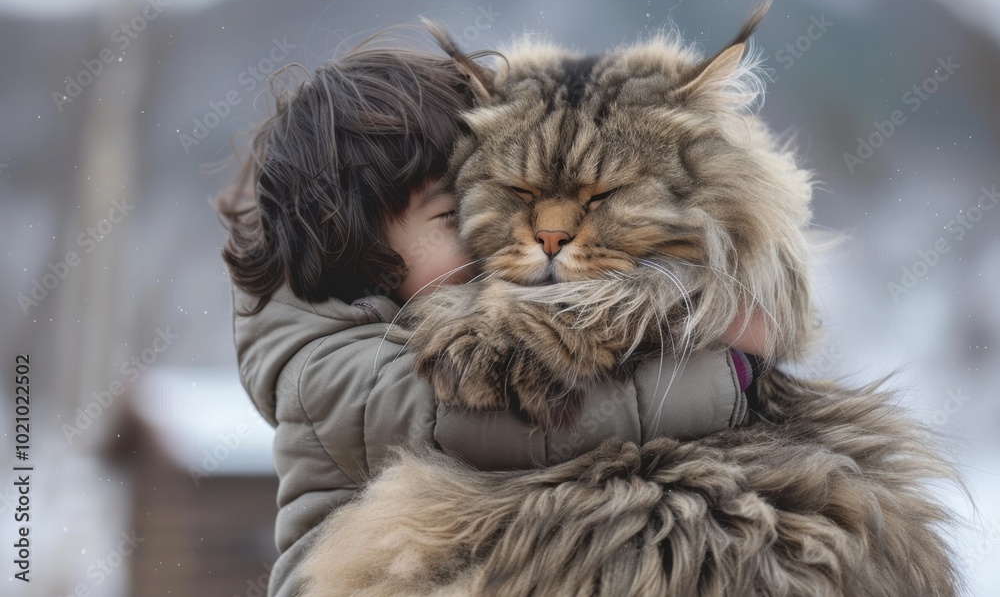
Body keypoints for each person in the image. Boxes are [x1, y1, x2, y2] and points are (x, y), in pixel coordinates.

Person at [215, 31, 765, 597]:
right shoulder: (332, 369)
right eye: (454, 215)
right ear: (365, 250)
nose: (497, 230)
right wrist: (722, 380)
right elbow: (506, 422)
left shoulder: (397, 304)